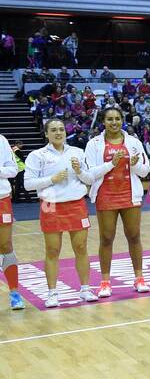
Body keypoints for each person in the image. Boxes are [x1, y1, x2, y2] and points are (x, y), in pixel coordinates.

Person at [25, 119, 97, 307]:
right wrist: (52, 179)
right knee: (52, 250)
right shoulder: (36, 155)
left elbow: (90, 178)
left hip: (76, 204)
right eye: (54, 130)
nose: (58, 133)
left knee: (81, 248)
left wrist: (79, 171)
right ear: (46, 133)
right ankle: (52, 293)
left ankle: (85, 289)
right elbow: (28, 184)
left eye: (61, 130)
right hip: (50, 205)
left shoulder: (77, 153)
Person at [84, 105, 150, 296]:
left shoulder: (134, 142)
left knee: (134, 236)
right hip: (105, 195)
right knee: (106, 238)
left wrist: (135, 164)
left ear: (122, 120)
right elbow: (89, 175)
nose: (114, 122)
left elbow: (145, 171)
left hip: (130, 195)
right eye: (109, 119)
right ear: (103, 122)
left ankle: (139, 278)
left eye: (117, 119)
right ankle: (105, 282)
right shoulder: (93, 144)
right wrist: (111, 164)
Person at [0, 132, 22, 310]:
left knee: (6, 246)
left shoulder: (1, 140)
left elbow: (13, 169)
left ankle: (14, 293)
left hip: (1, 199)